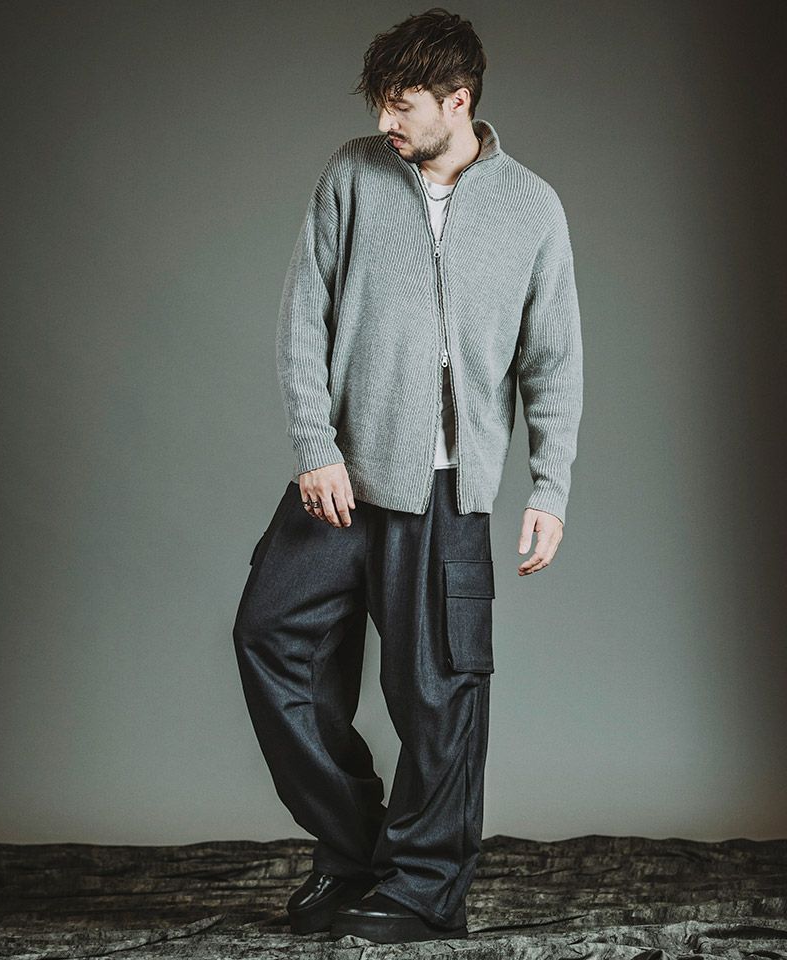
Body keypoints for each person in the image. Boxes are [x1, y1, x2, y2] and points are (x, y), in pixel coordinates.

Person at [232, 6, 583, 945]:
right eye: (380, 104)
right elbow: (304, 313)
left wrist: (549, 489)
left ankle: (427, 888)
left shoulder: (531, 207)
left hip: (447, 493)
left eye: (403, 104)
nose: (385, 122)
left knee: (439, 694)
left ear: (457, 101)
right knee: (272, 640)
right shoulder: (351, 175)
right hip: (341, 481)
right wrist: (315, 444)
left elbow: (552, 360)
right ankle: (357, 850)